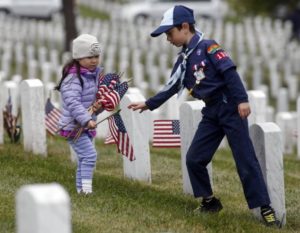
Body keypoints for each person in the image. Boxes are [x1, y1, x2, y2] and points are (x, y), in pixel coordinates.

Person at [128, 5, 280, 227]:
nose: (168, 39)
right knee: (194, 158)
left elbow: (229, 72)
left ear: (185, 27)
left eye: (170, 33)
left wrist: (242, 99)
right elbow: (171, 87)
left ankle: (266, 208)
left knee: (244, 159)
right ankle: (210, 201)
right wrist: (149, 104)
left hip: (230, 108)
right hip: (211, 112)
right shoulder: (183, 60)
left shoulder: (208, 47)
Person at [55, 34, 102, 195]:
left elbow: (89, 101)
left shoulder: (90, 75)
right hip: (74, 126)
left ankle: (81, 190)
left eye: (96, 56)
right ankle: (86, 191)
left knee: (84, 158)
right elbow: (73, 103)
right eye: (89, 57)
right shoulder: (73, 78)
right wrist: (87, 119)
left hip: (84, 125)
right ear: (79, 57)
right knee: (90, 155)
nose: (94, 60)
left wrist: (98, 106)